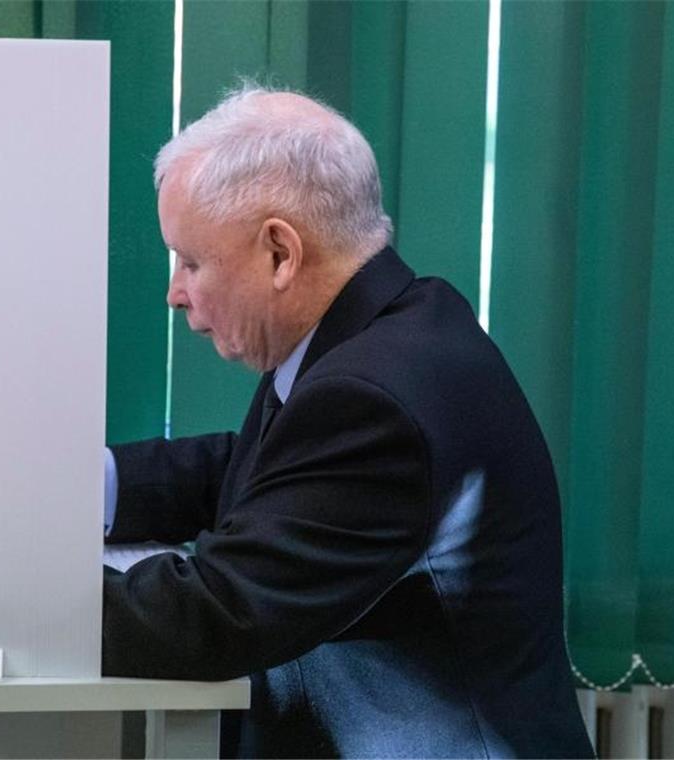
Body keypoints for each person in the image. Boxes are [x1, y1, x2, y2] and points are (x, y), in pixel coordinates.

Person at [101, 86, 594, 759]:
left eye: (191, 261)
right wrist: (91, 485)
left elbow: (217, 615)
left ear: (280, 252)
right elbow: (265, 471)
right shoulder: (385, 333)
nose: (175, 292)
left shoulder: (376, 395)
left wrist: (13, 588)